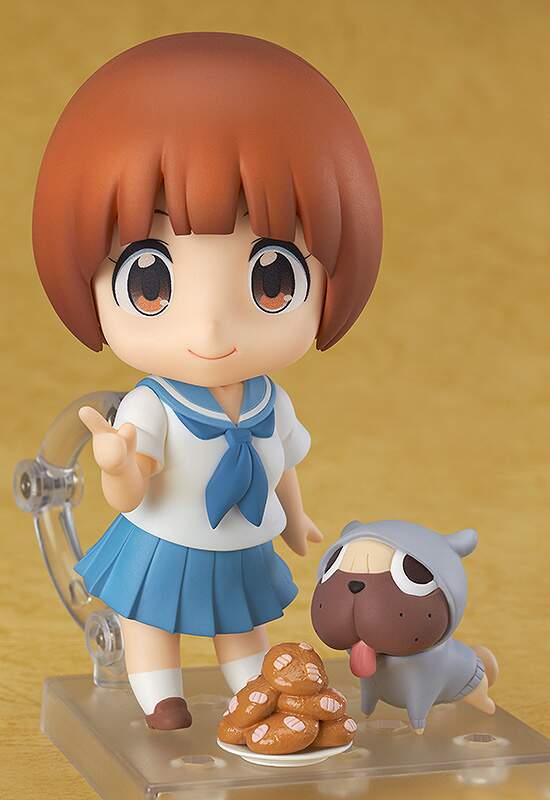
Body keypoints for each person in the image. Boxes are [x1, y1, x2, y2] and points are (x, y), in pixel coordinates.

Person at [32, 32, 382, 730]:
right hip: (165, 539)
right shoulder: (153, 404)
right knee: (149, 616)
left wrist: (295, 516)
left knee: (242, 621)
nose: (212, 327)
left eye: (273, 278)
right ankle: (159, 692)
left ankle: (254, 689)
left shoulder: (269, 399)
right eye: (151, 281)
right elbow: (136, 486)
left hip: (240, 539)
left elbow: (279, 461)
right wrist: (116, 465)